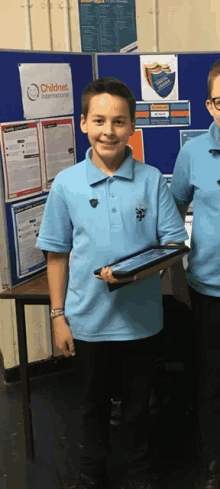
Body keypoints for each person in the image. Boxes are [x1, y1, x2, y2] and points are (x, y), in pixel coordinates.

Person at [36, 77, 188, 489]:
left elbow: (174, 243)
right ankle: (91, 473)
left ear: (132, 128)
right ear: (83, 122)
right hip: (88, 321)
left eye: (119, 122)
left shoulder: (152, 179)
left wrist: (136, 272)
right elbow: (56, 254)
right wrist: (58, 316)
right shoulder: (67, 184)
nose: (108, 130)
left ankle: (139, 472)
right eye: (99, 120)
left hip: (140, 320)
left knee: (139, 406)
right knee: (92, 406)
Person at [170, 59, 220, 489]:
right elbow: (174, 212)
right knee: (212, 380)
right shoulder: (192, 153)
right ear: (210, 105)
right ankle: (214, 462)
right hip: (211, 290)